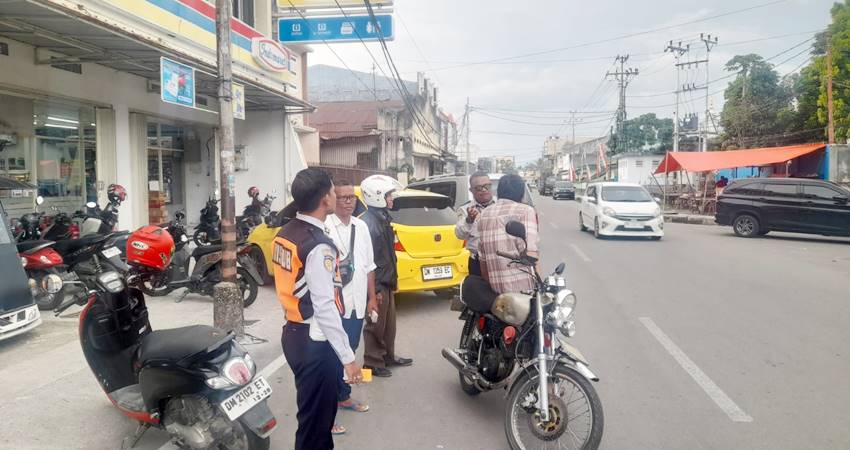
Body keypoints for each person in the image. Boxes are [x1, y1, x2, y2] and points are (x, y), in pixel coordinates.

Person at [273, 168, 362, 450]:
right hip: (315, 341)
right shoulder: (317, 246)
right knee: (316, 427)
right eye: (335, 191)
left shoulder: (286, 232)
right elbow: (324, 306)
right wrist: (347, 357)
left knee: (311, 418)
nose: (337, 196)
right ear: (325, 198)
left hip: (293, 332)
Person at [325, 180, 377, 435]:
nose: (347, 201)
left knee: (351, 348)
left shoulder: (362, 226)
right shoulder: (325, 227)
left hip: (357, 302)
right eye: (343, 197)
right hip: (334, 304)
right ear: (333, 199)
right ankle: (326, 412)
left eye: (351, 197)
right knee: (333, 356)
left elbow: (369, 266)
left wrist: (372, 299)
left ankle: (343, 396)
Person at [360, 175, 413, 378]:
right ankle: (372, 362)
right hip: (378, 283)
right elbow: (368, 261)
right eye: (389, 195)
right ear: (377, 196)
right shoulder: (368, 223)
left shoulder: (381, 218)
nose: (392, 199)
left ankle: (387, 356)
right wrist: (374, 291)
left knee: (388, 325)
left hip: (386, 281)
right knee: (375, 324)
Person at [477, 173, 540, 294]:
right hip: (523, 292)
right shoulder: (526, 211)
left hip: (496, 294)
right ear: (521, 193)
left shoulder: (483, 215)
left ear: (499, 192)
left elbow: (483, 261)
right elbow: (531, 254)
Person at [455, 171, 495, 276]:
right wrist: (469, 220)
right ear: (471, 190)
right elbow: (460, 235)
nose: (484, 190)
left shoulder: (501, 206)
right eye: (479, 188)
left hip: (499, 259)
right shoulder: (465, 209)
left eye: (487, 186)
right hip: (476, 262)